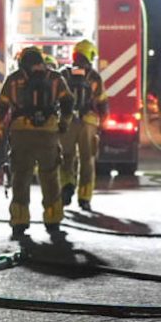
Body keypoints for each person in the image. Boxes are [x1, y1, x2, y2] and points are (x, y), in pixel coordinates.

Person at [0, 46, 73, 247]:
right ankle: (53, 219)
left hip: (21, 134)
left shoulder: (13, 79)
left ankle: (20, 221)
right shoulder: (55, 78)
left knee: (21, 176)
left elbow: (1, 106)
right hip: (48, 134)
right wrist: (64, 123)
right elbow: (68, 102)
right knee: (50, 176)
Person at [60, 39, 110, 212]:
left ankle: (66, 185)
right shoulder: (94, 77)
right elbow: (102, 101)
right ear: (89, 54)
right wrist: (103, 120)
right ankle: (84, 197)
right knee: (87, 160)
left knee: (66, 156)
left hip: (66, 122)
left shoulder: (64, 73)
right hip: (88, 122)